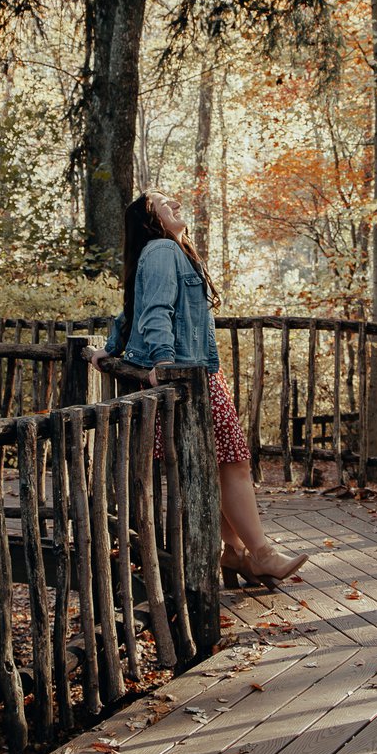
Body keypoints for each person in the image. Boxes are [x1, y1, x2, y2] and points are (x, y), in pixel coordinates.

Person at [85, 188, 309, 588]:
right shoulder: (161, 251)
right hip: (191, 375)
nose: (174, 203)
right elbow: (153, 312)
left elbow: (133, 308)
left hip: (198, 372)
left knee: (217, 465)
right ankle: (262, 554)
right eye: (162, 201)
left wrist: (113, 347)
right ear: (148, 217)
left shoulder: (169, 251)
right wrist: (163, 362)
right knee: (235, 464)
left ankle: (235, 553)